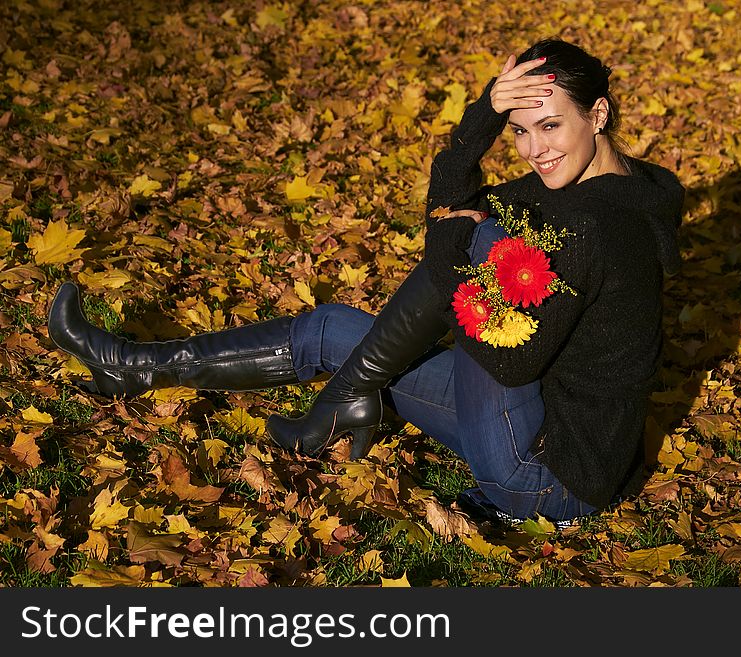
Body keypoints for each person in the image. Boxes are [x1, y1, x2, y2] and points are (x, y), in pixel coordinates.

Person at [48, 38, 684, 526]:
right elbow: (453, 200)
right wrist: (483, 118)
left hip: (547, 473)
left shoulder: (596, 223)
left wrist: (455, 250)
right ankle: (136, 366)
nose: (532, 149)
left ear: (597, 113)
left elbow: (510, 359)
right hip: (538, 411)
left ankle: (342, 400)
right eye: (519, 130)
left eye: (551, 126)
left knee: (483, 242)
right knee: (337, 326)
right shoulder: (613, 184)